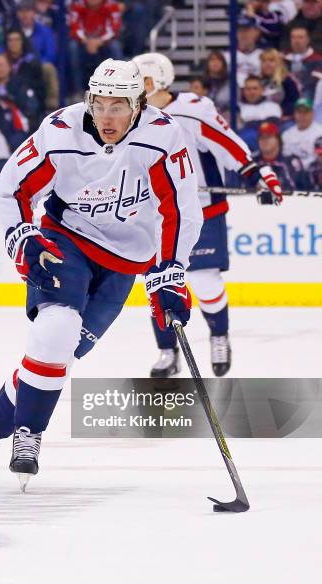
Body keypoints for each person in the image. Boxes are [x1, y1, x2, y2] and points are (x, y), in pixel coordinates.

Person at [0, 59, 203, 489]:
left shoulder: (163, 136)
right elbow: (9, 189)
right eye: (99, 104)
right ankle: (30, 434)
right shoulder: (61, 131)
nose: (107, 116)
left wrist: (171, 271)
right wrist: (23, 238)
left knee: (58, 356)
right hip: (67, 239)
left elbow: (181, 210)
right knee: (55, 330)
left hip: (126, 261)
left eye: (118, 106)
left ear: (138, 105)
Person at [133, 52, 283, 377]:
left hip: (200, 210)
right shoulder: (131, 116)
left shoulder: (191, 109)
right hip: (155, 214)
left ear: (157, 80)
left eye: (141, 80)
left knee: (204, 279)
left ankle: (219, 336)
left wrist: (258, 175)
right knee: (158, 283)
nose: (134, 87)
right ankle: (166, 351)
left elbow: (226, 143)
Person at [69, 0, 123, 96]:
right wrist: (85, 40)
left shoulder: (112, 5)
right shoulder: (77, 5)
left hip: (104, 41)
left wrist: (99, 41)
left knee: (115, 47)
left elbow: (115, 28)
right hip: (84, 41)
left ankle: (117, 87)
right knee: (72, 47)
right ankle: (78, 91)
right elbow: (74, 26)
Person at [251, 121, 309, 191]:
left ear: (278, 139)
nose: (265, 141)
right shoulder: (251, 162)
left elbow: (304, 189)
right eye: (262, 137)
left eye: (269, 137)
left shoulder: (292, 162)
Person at [238, 75, 282, 150]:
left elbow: (271, 127)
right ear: (244, 91)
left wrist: (249, 124)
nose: (252, 92)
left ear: (262, 90)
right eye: (248, 89)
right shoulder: (238, 108)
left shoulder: (273, 106)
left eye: (255, 88)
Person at [259, 48, 300, 120]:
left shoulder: (288, 81)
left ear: (279, 62)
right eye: (264, 61)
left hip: (282, 118)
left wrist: (284, 113)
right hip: (260, 117)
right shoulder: (256, 81)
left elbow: (294, 102)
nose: (267, 64)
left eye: (271, 60)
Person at [282, 97, 322, 170]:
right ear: (294, 114)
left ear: (312, 113)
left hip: (313, 171)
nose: (302, 116)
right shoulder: (287, 135)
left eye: (305, 112)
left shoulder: (320, 132)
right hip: (292, 173)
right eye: (299, 112)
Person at [284, 27, 322, 99]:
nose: (296, 41)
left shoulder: (318, 59)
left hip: (309, 95)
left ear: (308, 40)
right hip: (288, 95)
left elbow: (316, 83)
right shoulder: (284, 59)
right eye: (293, 37)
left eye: (300, 37)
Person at [203, 50, 230, 116]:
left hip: (225, 116)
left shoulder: (231, 82)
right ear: (207, 64)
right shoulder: (201, 82)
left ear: (223, 63)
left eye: (219, 60)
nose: (215, 62)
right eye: (212, 60)